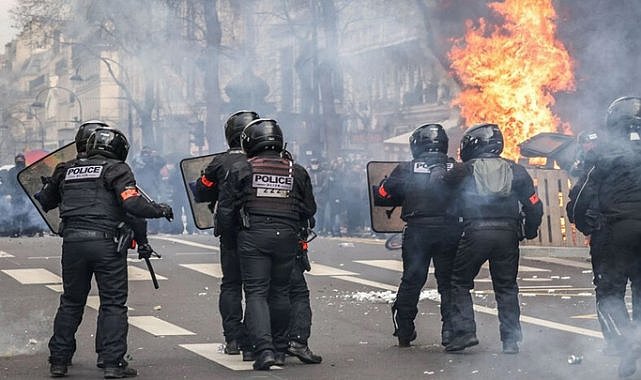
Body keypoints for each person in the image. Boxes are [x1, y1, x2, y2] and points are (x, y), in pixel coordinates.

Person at [35, 126, 173, 378]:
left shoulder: (66, 169)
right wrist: (159, 209)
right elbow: (132, 204)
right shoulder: (116, 169)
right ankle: (112, 362)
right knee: (112, 303)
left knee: (71, 301)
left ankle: (59, 360)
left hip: (73, 244)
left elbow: (45, 201)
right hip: (107, 244)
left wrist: (49, 185)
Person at [216, 118, 316, 370]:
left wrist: (232, 239)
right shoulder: (296, 170)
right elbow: (309, 208)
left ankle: (264, 351)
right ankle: (281, 349)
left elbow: (226, 212)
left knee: (257, 293)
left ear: (249, 142)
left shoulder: (242, 169)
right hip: (287, 237)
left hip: (254, 237)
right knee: (281, 292)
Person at [444, 123, 543, 354]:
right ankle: (511, 341)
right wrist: (530, 230)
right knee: (506, 287)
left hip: (475, 232)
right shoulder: (516, 170)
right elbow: (534, 205)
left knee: (459, 282)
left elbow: (442, 191)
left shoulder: (463, 170)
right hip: (507, 234)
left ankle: (465, 333)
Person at [567, 96, 641, 377]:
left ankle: (625, 341)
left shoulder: (603, 153)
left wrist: (583, 224)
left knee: (609, 292)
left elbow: (583, 195)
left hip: (615, 230)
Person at [373, 123, 461, 347]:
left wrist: (386, 187)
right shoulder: (455, 167)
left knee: (412, 281)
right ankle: (449, 332)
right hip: (448, 230)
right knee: (448, 283)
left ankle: (404, 330)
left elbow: (383, 194)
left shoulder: (406, 168)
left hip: (418, 231)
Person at [191, 110, 260, 360]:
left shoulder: (220, 162)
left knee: (231, 284)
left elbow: (201, 191)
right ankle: (254, 341)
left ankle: (232, 339)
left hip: (230, 232)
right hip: (259, 232)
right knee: (257, 289)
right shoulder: (265, 158)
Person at [6, 153, 28, 236]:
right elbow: (9, 183)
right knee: (15, 214)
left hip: (25, 195)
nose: (19, 162)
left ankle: (26, 230)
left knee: (26, 213)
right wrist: (10, 193)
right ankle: (16, 230)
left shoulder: (27, 170)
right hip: (16, 196)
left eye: (21, 160)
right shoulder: (12, 171)